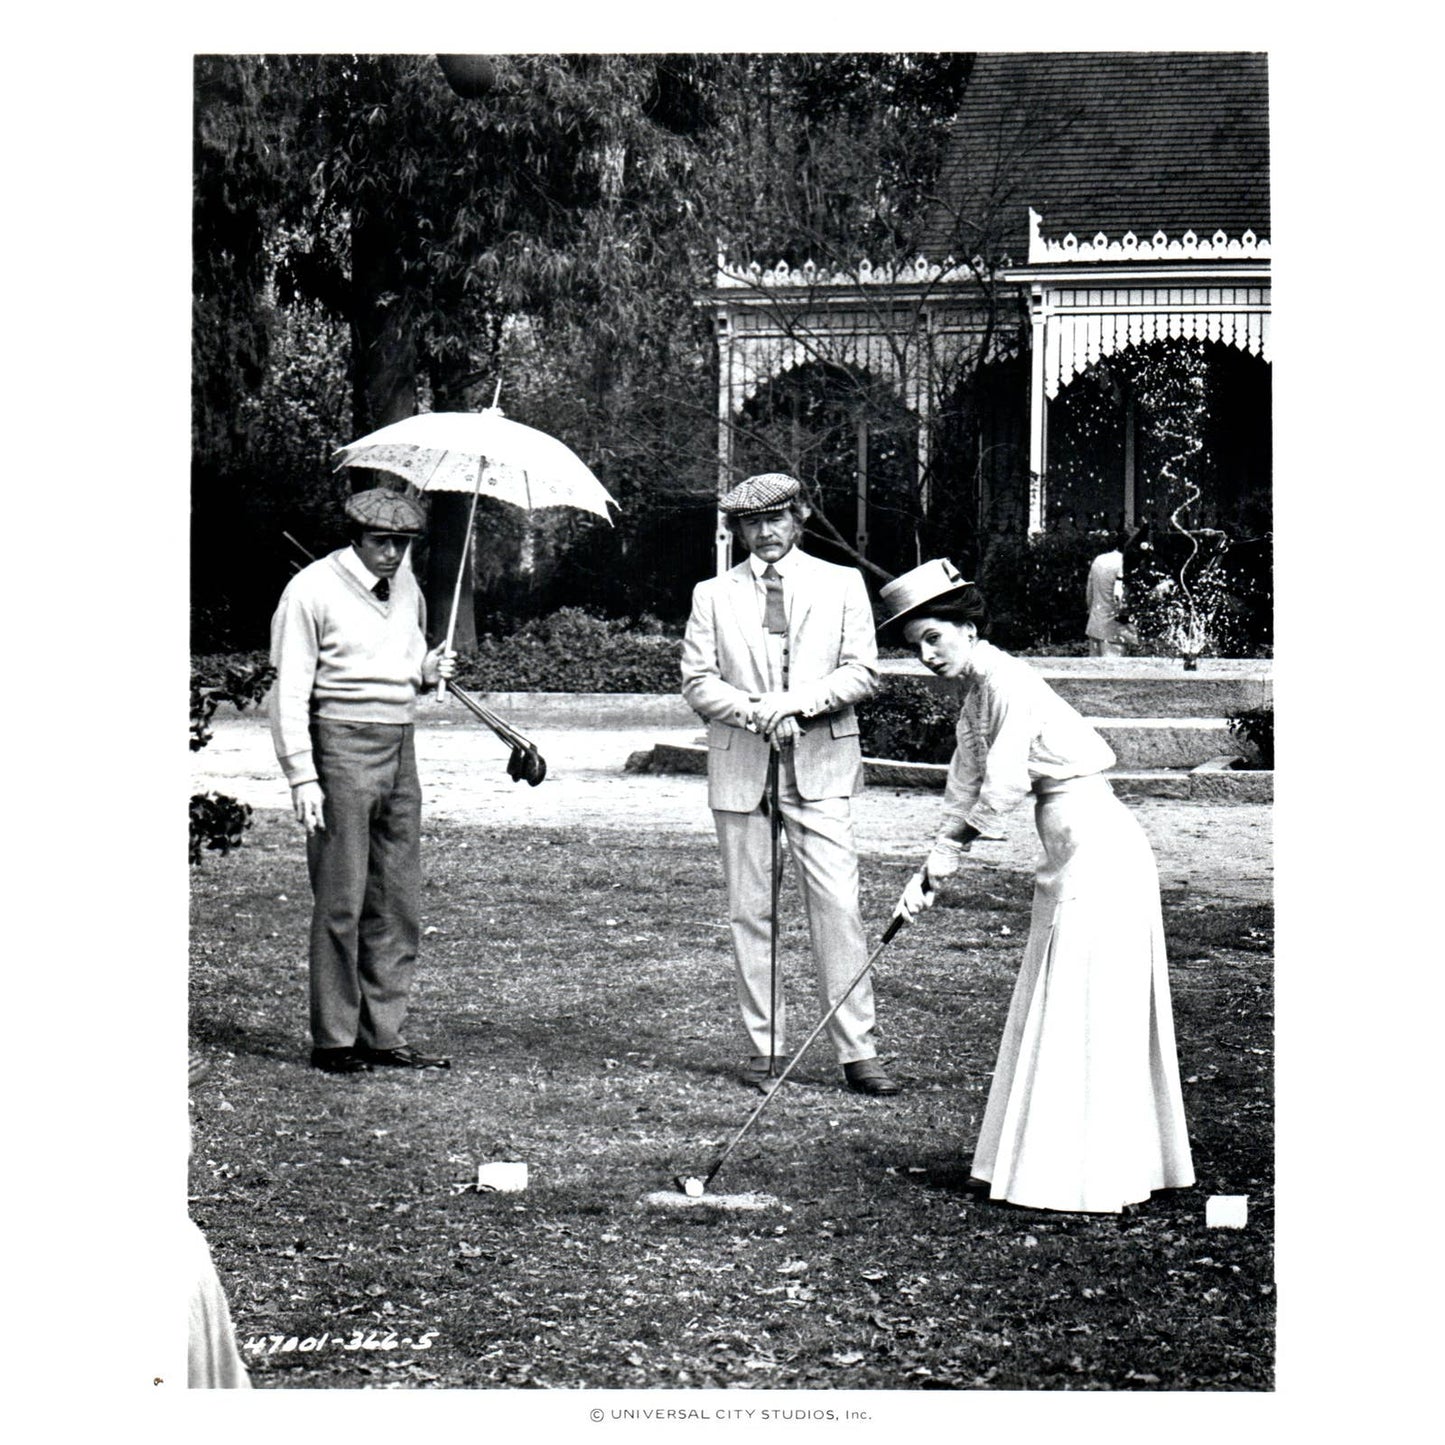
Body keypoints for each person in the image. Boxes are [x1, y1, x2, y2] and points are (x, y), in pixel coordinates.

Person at [882, 559, 1194, 1213]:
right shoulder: (977, 694)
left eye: (934, 636)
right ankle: (1036, 1164)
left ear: (968, 628)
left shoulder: (1006, 682)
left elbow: (1001, 784)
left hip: (1100, 847)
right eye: (915, 645)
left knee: (1089, 1001)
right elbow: (965, 783)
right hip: (1069, 846)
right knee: (1056, 994)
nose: (927, 654)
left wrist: (951, 853)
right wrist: (929, 868)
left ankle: (1093, 1175)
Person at [680, 473, 899, 1096]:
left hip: (820, 767)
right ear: (737, 529)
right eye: (752, 523)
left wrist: (795, 703)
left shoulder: (841, 582)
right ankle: (766, 1047)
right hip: (741, 768)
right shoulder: (712, 594)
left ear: (798, 517)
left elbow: (862, 672)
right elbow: (698, 680)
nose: (765, 532)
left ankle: (858, 1051)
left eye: (776, 519)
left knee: (837, 908)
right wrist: (756, 711)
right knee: (751, 911)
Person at [268, 487, 456, 1074]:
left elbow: (406, 664)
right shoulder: (310, 590)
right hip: (339, 748)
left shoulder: (406, 588)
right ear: (355, 537)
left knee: (396, 900)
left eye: (403, 543)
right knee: (342, 900)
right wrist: (303, 775)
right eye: (382, 541)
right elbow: (288, 691)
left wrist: (428, 670)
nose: (393, 554)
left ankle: (383, 1034)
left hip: (401, 747)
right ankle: (334, 1040)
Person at [1084, 533, 1134, 657]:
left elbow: (1089, 593)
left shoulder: (1099, 560)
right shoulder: (1125, 563)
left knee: (1094, 666)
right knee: (1114, 667)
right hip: (1115, 630)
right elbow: (1121, 599)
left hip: (1095, 625)